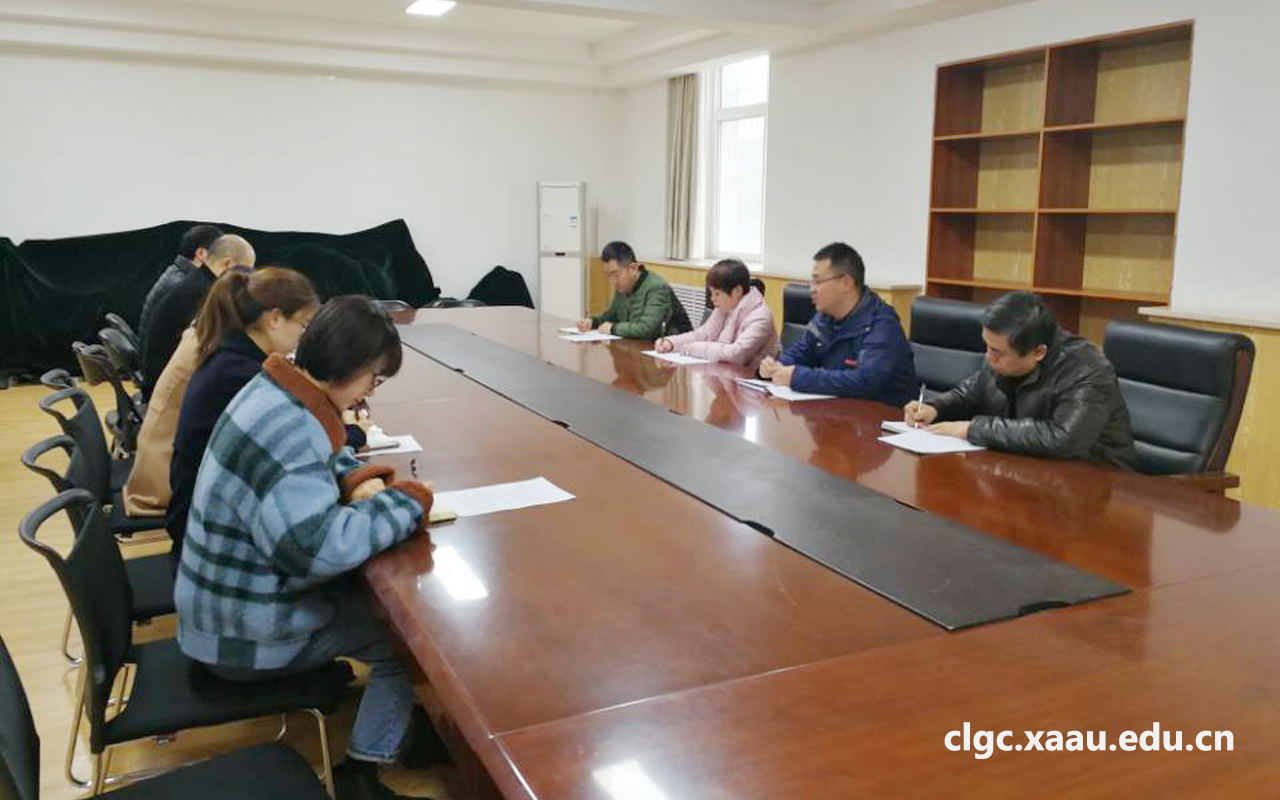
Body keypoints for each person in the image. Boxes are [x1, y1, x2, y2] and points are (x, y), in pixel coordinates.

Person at [174, 295, 441, 800]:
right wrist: (405, 503)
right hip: (240, 638)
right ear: (352, 368)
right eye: (374, 379)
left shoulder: (274, 390)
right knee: (406, 642)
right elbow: (315, 551)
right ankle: (362, 773)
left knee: (379, 604)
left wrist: (358, 477)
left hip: (218, 610)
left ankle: (415, 729)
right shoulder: (290, 429)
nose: (371, 391)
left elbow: (321, 458)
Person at [166, 267, 321, 565]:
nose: (303, 337)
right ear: (274, 319)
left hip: (199, 520)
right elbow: (294, 443)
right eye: (303, 326)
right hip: (206, 543)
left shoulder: (231, 355)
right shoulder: (241, 374)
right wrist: (353, 432)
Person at [904, 290, 1137, 468]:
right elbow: (972, 392)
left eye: (997, 352)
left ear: (1038, 352)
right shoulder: (1005, 353)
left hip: (1099, 482)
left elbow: (1062, 439)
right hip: (1031, 469)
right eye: (987, 346)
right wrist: (935, 407)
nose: (988, 357)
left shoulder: (1088, 370)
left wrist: (973, 429)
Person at [758, 242, 917, 405]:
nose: (812, 289)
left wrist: (798, 377)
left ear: (846, 283)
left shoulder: (881, 324)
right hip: (839, 410)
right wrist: (777, 365)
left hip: (885, 414)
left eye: (818, 282)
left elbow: (865, 381)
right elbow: (801, 352)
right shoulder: (824, 316)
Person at [141, 233, 255, 396]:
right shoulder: (203, 294)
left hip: (162, 381)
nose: (246, 279)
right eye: (246, 271)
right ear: (227, 264)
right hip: (166, 392)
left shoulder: (198, 281)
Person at [654, 258, 780, 369]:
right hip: (725, 373)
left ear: (737, 291)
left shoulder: (760, 317)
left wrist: (695, 348)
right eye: (712, 293)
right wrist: (671, 343)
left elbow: (737, 354)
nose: (712, 299)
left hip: (753, 380)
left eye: (717, 294)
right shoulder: (726, 307)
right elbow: (703, 335)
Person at [138, 224, 223, 362]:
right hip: (161, 366)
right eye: (221, 254)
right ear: (202, 254)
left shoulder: (177, 273)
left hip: (152, 360)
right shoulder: (187, 286)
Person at [576, 241, 692, 339]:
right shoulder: (622, 286)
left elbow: (647, 329)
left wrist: (613, 328)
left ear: (633, 268)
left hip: (674, 351)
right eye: (608, 275)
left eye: (615, 274)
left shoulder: (657, 287)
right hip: (639, 347)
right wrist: (593, 322)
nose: (612, 282)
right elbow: (611, 317)